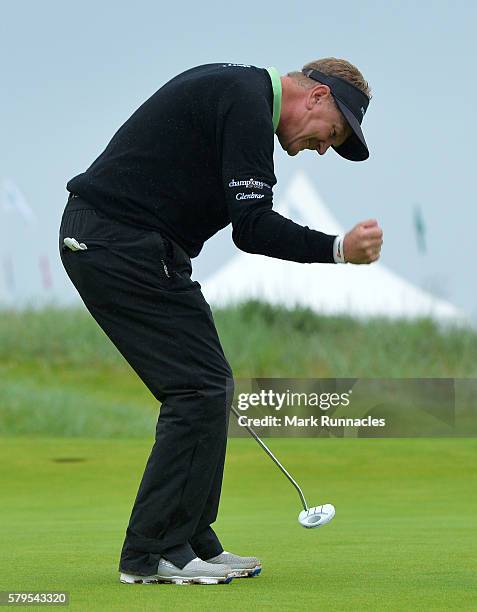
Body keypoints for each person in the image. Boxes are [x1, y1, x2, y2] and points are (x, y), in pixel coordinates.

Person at [58, 57, 383, 585]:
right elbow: (251, 228)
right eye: (334, 134)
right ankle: (152, 553)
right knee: (197, 389)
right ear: (318, 97)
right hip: (115, 240)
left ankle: (190, 542)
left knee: (210, 385)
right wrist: (338, 249)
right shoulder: (247, 100)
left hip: (138, 246)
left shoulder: (243, 95)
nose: (324, 148)